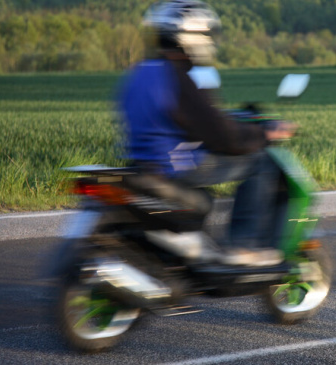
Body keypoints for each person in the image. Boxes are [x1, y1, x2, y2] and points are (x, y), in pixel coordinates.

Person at [117, 0, 294, 266]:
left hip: (143, 163)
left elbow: (178, 120)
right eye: (206, 35)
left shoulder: (139, 72)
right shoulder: (179, 77)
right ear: (190, 36)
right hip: (175, 164)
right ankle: (244, 245)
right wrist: (263, 136)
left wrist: (219, 124)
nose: (209, 41)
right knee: (261, 162)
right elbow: (224, 138)